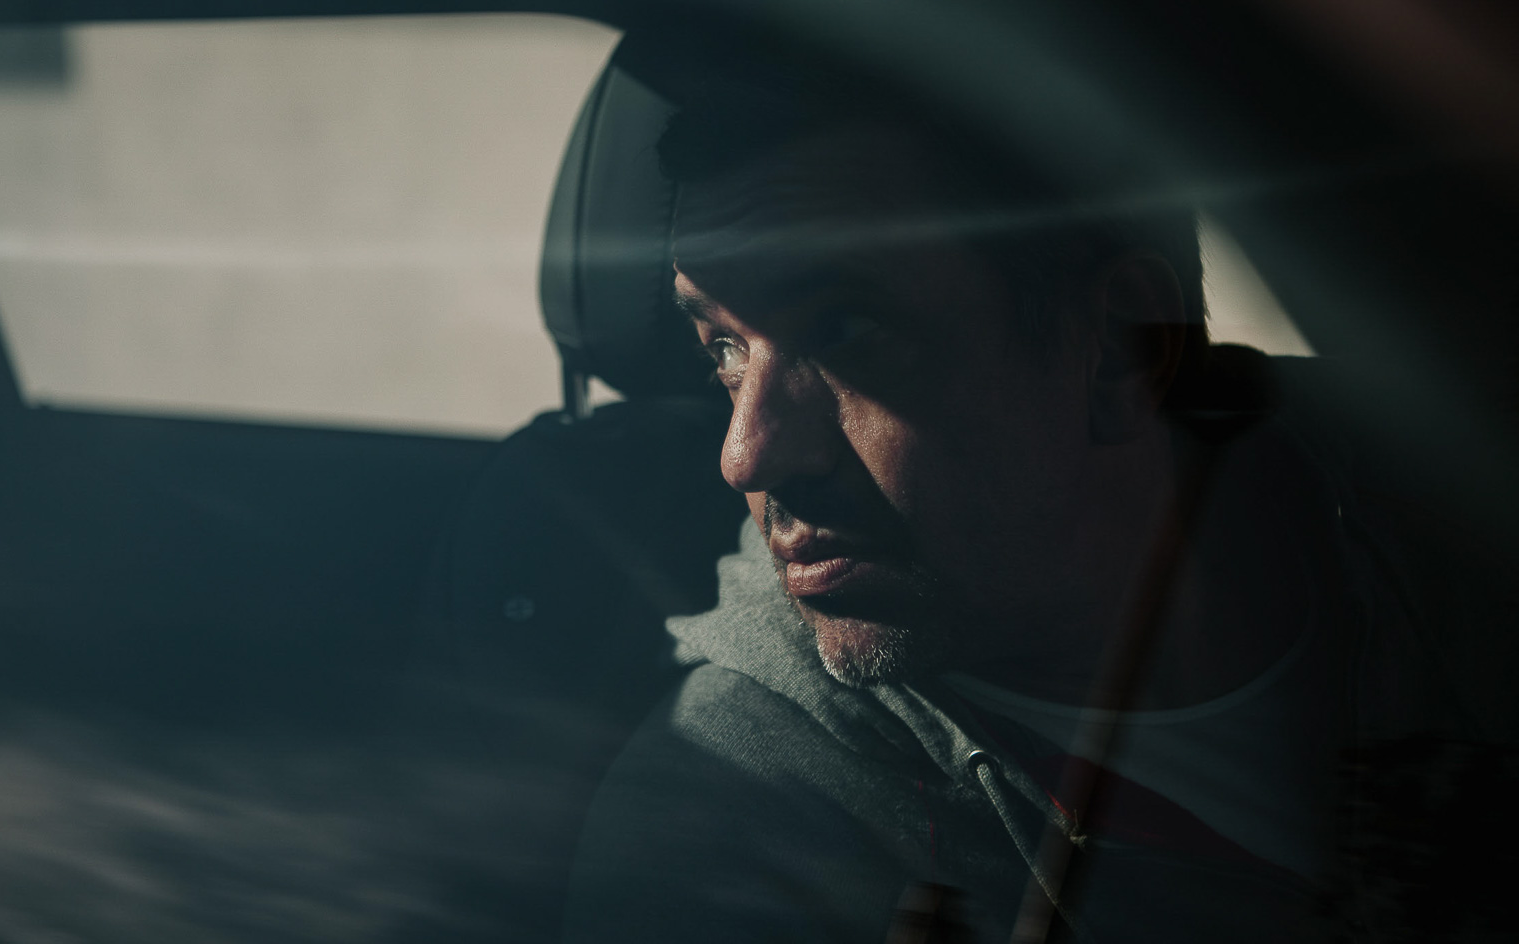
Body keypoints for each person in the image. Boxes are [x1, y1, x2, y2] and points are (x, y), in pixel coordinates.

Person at [560, 82, 1505, 943]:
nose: (747, 456)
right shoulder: (729, 825)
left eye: (845, 328)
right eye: (723, 349)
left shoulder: (1457, 507)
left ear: (1120, 348)